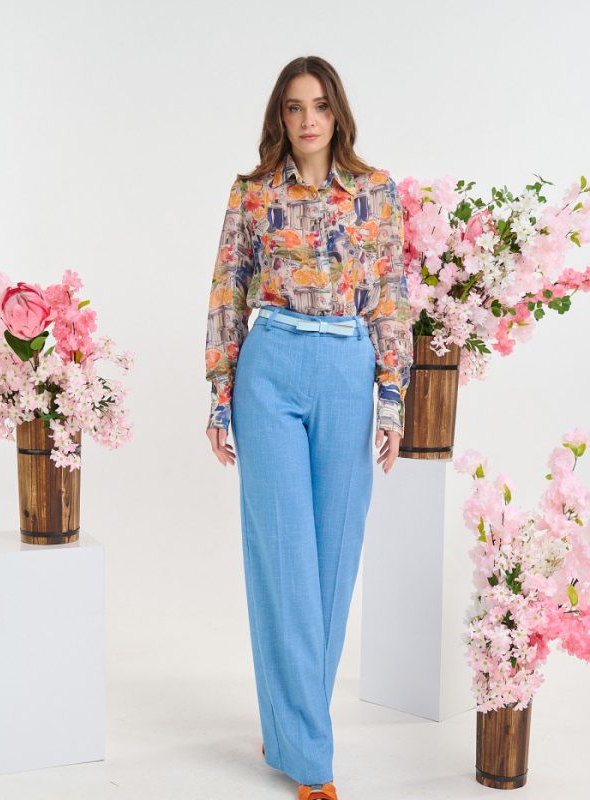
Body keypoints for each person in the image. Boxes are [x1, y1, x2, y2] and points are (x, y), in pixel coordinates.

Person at [204, 55, 413, 800]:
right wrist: (220, 396)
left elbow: (391, 296)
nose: (307, 119)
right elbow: (228, 291)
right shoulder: (253, 192)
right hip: (270, 370)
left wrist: (392, 399)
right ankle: (312, 764)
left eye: (319, 105)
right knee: (285, 561)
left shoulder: (376, 190)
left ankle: (288, 725)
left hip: (348, 369)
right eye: (294, 107)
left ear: (337, 112)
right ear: (280, 117)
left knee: (333, 563)